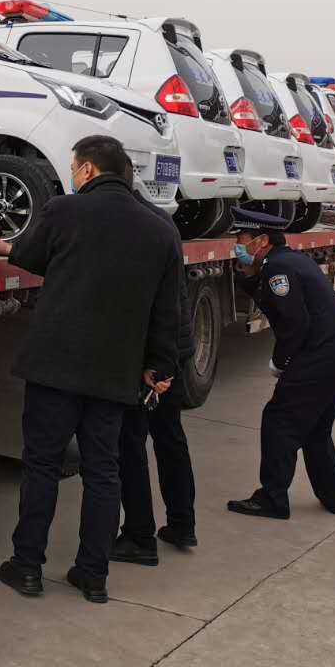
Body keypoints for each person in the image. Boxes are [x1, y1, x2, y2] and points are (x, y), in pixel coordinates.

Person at [0, 135, 181, 604]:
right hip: (116, 372)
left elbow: (31, 256)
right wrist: (159, 364)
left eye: (73, 167)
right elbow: (168, 308)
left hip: (56, 367)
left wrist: (2, 247)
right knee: (103, 471)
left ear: (87, 170)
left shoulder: (65, 210)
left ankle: (27, 566)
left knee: (42, 465)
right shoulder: (160, 229)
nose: (71, 175)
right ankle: (93, 575)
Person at [226, 206, 335, 520]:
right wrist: (249, 274)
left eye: (242, 238)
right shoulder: (290, 261)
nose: (237, 245)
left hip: (320, 359)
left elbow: (293, 324)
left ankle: (272, 499)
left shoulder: (279, 270)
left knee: (279, 421)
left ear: (262, 241)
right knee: (315, 429)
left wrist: (281, 362)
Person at [113, 189, 198, 566]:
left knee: (130, 444)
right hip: (173, 349)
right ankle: (182, 523)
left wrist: (153, 365)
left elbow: (144, 302)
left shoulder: (132, 226)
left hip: (151, 356)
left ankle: (139, 536)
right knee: (169, 437)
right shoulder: (160, 220)